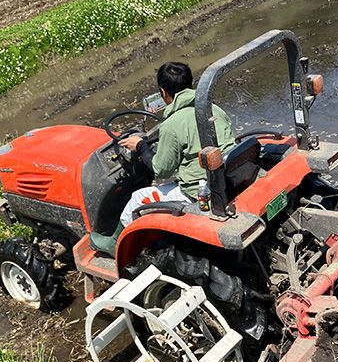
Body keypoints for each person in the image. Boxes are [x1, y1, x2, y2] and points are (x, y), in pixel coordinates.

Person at [89, 62, 235, 254]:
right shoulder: (213, 109)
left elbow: (161, 170)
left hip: (198, 190)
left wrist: (141, 146)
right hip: (228, 175)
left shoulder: (172, 125)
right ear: (189, 84)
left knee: (137, 198)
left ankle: (115, 245)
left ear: (162, 92)